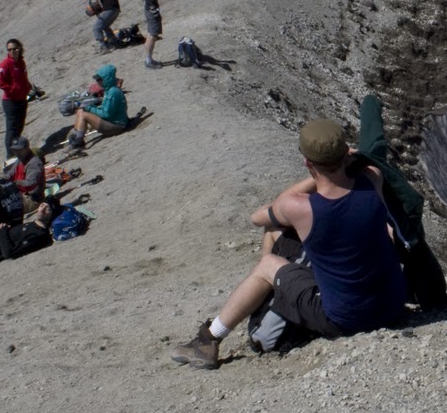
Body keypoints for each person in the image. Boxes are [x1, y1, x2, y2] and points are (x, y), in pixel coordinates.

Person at [171, 118, 408, 370]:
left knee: (267, 261)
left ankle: (210, 339)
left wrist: (315, 176)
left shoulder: (300, 207)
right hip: (392, 305)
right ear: (345, 153)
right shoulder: (373, 178)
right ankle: (275, 304)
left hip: (346, 319)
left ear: (307, 162)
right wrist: (342, 165)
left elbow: (258, 216)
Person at [68, 64, 127, 150]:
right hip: (112, 121)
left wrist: (90, 108)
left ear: (107, 78)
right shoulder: (109, 90)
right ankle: (78, 136)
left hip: (117, 125)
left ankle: (78, 141)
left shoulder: (113, 92)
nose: (97, 82)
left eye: (99, 79)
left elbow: (106, 114)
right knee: (80, 111)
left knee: (84, 115)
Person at [0, 38, 38, 158]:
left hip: (22, 99)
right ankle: (10, 156)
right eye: (9, 50)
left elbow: (23, 79)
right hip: (10, 101)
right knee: (11, 130)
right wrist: (13, 89)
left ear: (19, 48)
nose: (12, 52)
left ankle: (17, 152)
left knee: (19, 127)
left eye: (15, 49)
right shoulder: (5, 64)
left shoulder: (21, 62)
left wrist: (28, 87)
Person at [141, 0, 164, 69]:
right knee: (153, 35)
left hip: (150, 9)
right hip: (151, 9)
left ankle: (148, 59)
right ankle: (148, 60)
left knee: (151, 34)